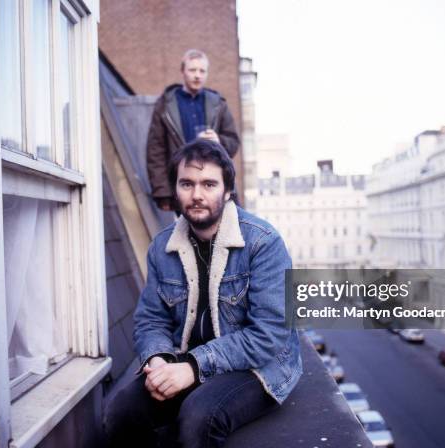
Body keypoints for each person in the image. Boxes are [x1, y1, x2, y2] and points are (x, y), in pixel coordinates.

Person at [105, 139, 302, 447]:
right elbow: (151, 319)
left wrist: (193, 368)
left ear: (227, 191)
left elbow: (270, 334)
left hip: (257, 365)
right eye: (187, 184)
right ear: (175, 190)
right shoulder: (162, 246)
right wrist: (158, 360)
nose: (197, 195)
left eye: (209, 184)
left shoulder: (264, 243)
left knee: (199, 418)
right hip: (186, 359)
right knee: (121, 412)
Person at [146, 49, 240, 212]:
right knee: (186, 234)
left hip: (214, 184)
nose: (197, 75)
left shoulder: (218, 103)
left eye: (202, 71)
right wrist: (163, 193)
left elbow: (233, 142)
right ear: (183, 71)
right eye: (192, 70)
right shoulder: (165, 105)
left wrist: (219, 141)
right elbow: (155, 151)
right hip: (183, 184)